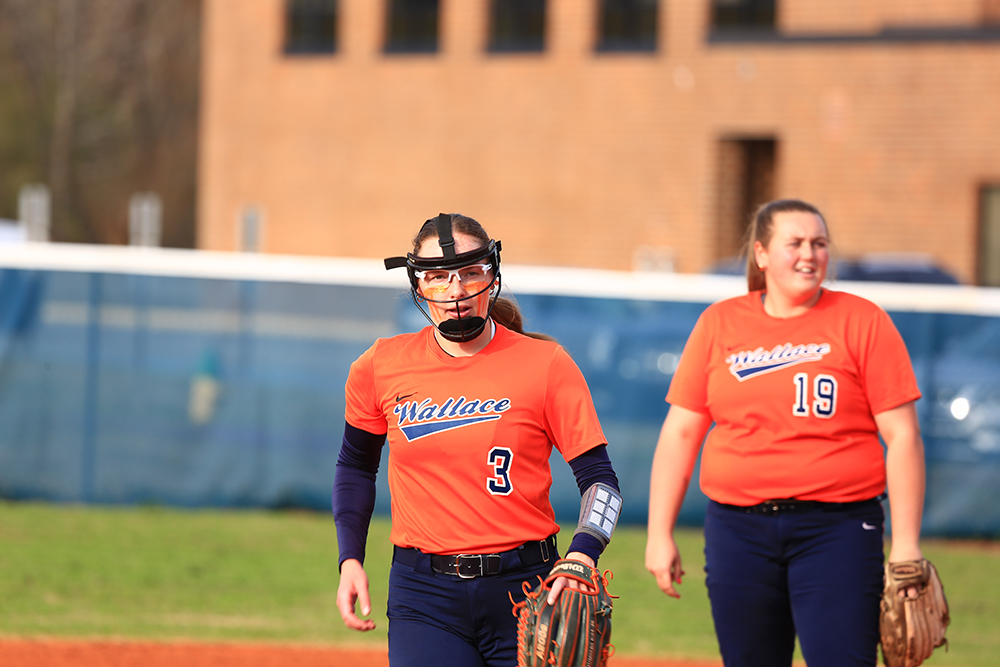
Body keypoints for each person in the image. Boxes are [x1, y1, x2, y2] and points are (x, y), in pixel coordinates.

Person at [645, 199, 926, 667]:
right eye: (794, 243)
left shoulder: (862, 320)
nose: (809, 254)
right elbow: (680, 433)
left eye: (819, 243)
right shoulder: (721, 322)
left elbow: (903, 437)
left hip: (838, 528)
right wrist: (659, 532)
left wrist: (907, 544)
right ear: (761, 254)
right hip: (739, 530)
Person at [333, 213, 622, 667]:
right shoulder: (379, 365)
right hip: (422, 594)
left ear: (492, 274)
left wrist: (584, 553)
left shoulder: (545, 364)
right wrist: (350, 558)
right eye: (438, 277)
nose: (456, 291)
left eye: (470, 272)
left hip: (528, 587)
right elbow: (354, 467)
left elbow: (601, 482)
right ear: (417, 284)